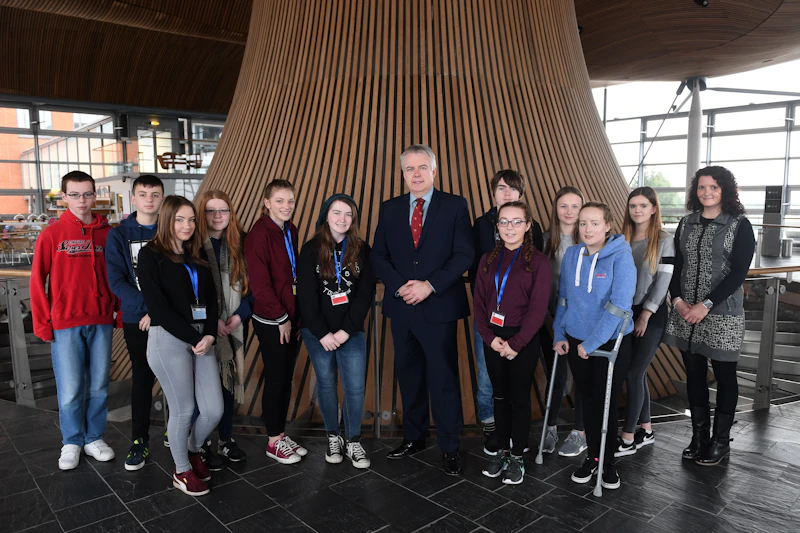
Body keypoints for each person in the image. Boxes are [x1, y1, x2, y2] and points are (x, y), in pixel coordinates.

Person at [371, 144, 474, 475]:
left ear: (434, 170)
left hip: (438, 305)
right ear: (402, 174)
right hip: (402, 307)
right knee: (409, 376)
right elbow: (378, 256)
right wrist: (402, 286)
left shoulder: (455, 206)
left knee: (443, 378)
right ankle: (413, 438)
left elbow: (464, 254)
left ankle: (449, 446)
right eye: (409, 169)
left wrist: (429, 285)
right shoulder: (389, 209)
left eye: (422, 168)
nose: (415, 174)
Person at [663, 166, 755, 466]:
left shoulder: (739, 225)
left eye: (713, 187)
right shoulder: (686, 223)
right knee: (694, 374)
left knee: (725, 375)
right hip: (685, 313)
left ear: (725, 190)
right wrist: (677, 301)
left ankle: (720, 440)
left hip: (722, 314)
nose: (707, 193)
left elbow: (739, 272)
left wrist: (706, 304)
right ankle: (699, 436)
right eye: (701, 187)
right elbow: (677, 267)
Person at [31, 171, 120, 471]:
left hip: (101, 319)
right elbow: (36, 281)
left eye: (87, 194)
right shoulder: (51, 235)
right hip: (65, 323)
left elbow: (117, 277)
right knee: (69, 389)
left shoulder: (108, 234)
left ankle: (93, 437)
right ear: (64, 197)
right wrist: (43, 322)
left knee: (98, 386)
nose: (82, 201)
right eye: (75, 194)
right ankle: (71, 440)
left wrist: (117, 311)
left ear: (95, 196)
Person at [138, 195, 222, 497]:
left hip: (202, 338)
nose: (187, 225)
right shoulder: (150, 255)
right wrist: (196, 337)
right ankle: (182, 470)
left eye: (191, 219)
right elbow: (158, 309)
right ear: (166, 220)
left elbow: (212, 300)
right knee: (184, 410)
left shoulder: (196, 253)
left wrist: (209, 334)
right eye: (179, 219)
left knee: (213, 410)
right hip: (170, 340)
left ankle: (193, 448)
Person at [553, 202, 636, 490]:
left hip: (610, 341)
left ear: (608, 226)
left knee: (606, 403)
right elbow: (563, 298)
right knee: (587, 400)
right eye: (583, 223)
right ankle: (593, 457)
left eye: (595, 223)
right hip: (576, 341)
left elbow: (619, 307)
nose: (588, 229)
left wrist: (591, 343)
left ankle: (608, 462)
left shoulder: (621, 257)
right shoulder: (572, 255)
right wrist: (558, 333)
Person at [297, 194, 376, 469]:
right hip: (317, 333)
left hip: (350, 332)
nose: (342, 219)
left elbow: (365, 295)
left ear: (353, 220)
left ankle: (353, 440)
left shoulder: (362, 249)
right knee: (327, 385)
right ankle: (334, 436)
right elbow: (305, 297)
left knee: (354, 388)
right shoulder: (311, 249)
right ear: (326, 215)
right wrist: (322, 334)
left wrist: (344, 331)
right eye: (337, 213)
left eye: (348, 214)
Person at [474, 202, 550, 485]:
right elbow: (480, 305)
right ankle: (502, 452)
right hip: (493, 339)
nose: (510, 227)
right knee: (499, 398)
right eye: (504, 222)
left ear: (528, 225)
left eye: (516, 222)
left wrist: (515, 344)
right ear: (497, 226)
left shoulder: (539, 262)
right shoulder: (486, 260)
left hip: (523, 340)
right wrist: (490, 339)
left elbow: (538, 310)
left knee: (518, 399)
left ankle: (517, 456)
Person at [468, 170, 543, 455]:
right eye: (501, 188)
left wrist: (517, 340)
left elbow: (535, 289)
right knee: (489, 380)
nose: (507, 193)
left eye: (513, 189)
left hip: (522, 328)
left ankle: (516, 442)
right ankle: (494, 431)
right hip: (490, 322)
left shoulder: (534, 238)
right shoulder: (480, 227)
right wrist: (489, 331)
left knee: (517, 388)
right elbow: (478, 278)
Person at [244, 179, 307, 464]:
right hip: (272, 319)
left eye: (290, 201)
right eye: (279, 201)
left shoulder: (289, 229)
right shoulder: (259, 234)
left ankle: (280, 434)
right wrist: (281, 318)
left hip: (290, 316)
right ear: (267, 202)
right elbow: (260, 284)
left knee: (284, 378)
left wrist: (293, 316)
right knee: (276, 378)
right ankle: (273, 441)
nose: (286, 206)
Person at [106, 174, 164, 471]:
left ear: (162, 198)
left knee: (177, 377)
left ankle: (174, 431)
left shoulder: (171, 229)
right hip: (136, 318)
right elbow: (117, 281)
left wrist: (161, 311)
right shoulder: (119, 235)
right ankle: (139, 440)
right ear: (133, 198)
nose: (149, 199)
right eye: (143, 194)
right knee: (142, 378)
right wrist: (149, 308)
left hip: (168, 317)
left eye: (155, 194)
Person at [194, 190, 254, 466]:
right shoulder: (193, 247)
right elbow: (190, 291)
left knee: (228, 385)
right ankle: (201, 443)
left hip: (232, 326)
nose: (218, 216)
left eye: (223, 211)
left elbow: (254, 289)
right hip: (203, 328)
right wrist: (211, 320)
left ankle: (226, 440)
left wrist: (240, 315)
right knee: (203, 390)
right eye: (211, 211)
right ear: (202, 214)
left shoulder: (240, 245)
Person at [615, 187, 674, 457]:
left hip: (653, 313)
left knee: (634, 373)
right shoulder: (621, 239)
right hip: (627, 312)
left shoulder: (664, 240)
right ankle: (646, 429)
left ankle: (627, 437)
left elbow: (663, 283)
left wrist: (646, 314)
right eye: (633, 206)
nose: (637, 210)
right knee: (637, 373)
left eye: (643, 205)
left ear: (653, 208)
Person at [541, 186, 587, 457]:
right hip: (551, 319)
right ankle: (550, 428)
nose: (569, 212)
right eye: (563, 206)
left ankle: (579, 431)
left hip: (582, 320)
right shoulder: (545, 240)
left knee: (581, 378)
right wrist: (548, 319)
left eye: (575, 206)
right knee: (556, 378)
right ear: (555, 209)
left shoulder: (591, 239)